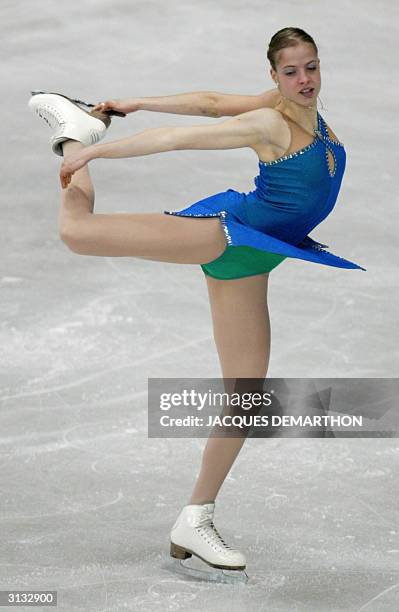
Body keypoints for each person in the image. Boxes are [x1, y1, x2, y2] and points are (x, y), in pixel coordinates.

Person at [28, 26, 365, 573]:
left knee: (246, 395)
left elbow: (208, 103)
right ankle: (73, 134)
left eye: (312, 67)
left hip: (255, 260)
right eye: (291, 71)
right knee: (77, 231)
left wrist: (138, 101)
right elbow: (177, 140)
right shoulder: (269, 121)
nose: (304, 80)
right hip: (226, 235)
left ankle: (196, 517)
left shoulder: (305, 114)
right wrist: (95, 152)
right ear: (275, 75)